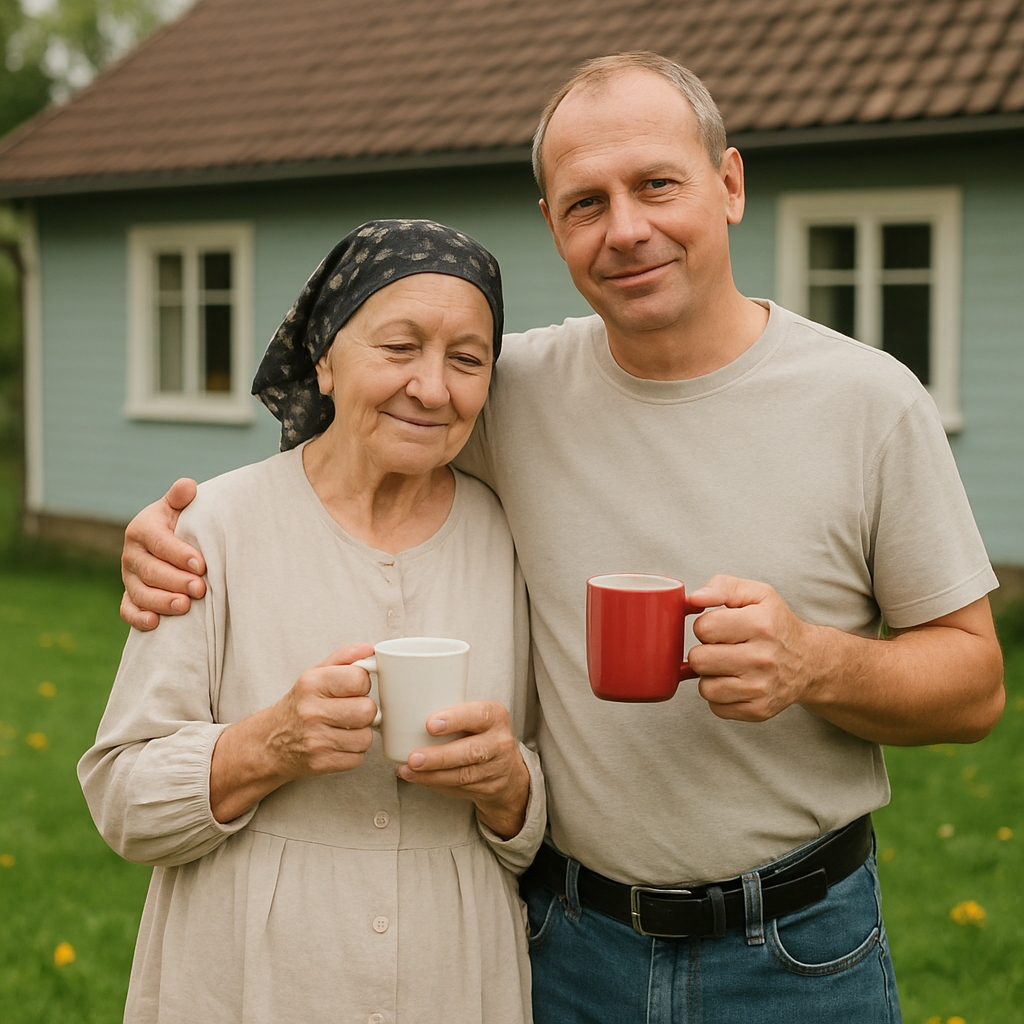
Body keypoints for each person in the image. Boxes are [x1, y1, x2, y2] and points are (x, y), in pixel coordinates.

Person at [118, 54, 1005, 1024]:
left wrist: (814, 662)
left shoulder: (869, 402)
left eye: (656, 184)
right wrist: (172, 531)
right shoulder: (508, 389)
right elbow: (359, 437)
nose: (625, 228)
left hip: (794, 949)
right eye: (585, 202)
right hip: (569, 946)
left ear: (730, 184)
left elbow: (973, 686)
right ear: (553, 226)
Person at [79, 219, 546, 1024]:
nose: (433, 388)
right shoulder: (213, 529)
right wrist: (266, 745)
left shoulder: (514, 537)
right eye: (399, 348)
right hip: (249, 982)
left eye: (466, 359)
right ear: (324, 359)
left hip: (454, 981)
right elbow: (122, 798)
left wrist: (511, 790)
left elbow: (542, 798)